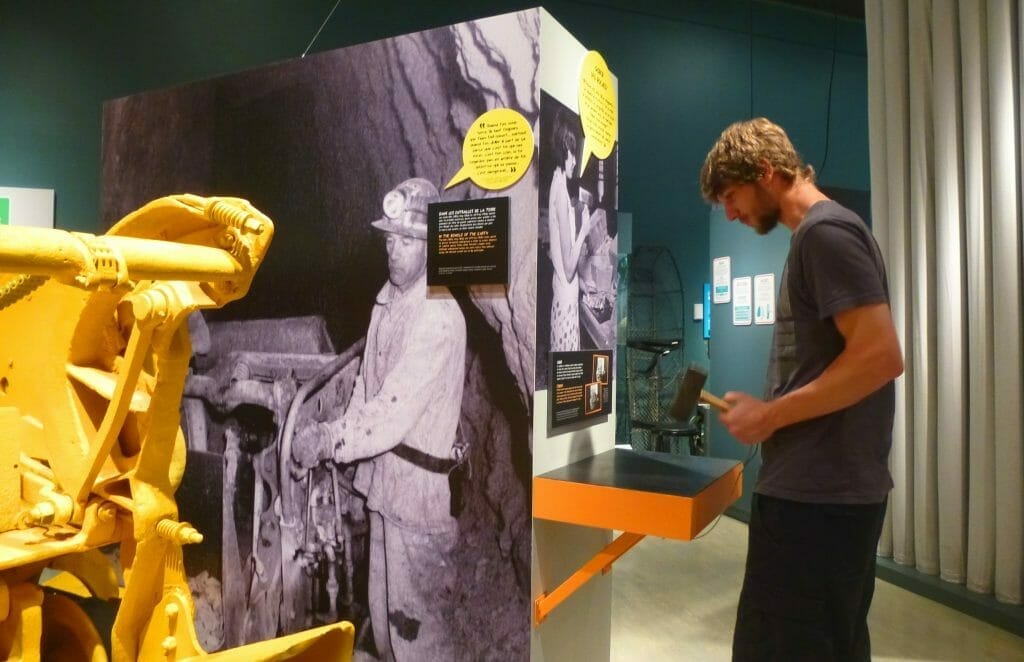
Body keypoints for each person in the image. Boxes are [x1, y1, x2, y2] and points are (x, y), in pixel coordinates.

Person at [699, 118, 904, 662]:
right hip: (821, 496)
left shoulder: (825, 233)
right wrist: (770, 410)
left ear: (766, 173)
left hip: (818, 502)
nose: (732, 213)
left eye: (732, 196)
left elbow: (881, 357)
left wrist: (771, 416)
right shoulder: (819, 235)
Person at [292, 177, 467, 661]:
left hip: (420, 497)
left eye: (408, 241)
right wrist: (348, 457)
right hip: (384, 487)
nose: (395, 251)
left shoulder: (439, 317)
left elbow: (392, 410)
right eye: (390, 239)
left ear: (430, 248)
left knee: (419, 638)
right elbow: (366, 387)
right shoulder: (387, 301)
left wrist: (330, 439)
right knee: (386, 629)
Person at [548, 112, 592, 351]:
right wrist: (584, 230)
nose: (575, 161)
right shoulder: (560, 194)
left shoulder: (558, 183)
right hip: (565, 306)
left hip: (564, 296)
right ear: (564, 151)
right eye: (573, 154)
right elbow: (567, 269)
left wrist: (581, 283)